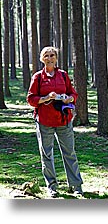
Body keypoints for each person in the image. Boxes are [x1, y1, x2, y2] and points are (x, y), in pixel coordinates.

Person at [27, 46, 83, 198]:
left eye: (52, 55)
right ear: (42, 59)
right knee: (47, 154)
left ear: (56, 58)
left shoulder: (63, 75)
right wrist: (46, 98)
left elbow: (73, 93)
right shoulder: (38, 77)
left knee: (69, 153)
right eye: (46, 56)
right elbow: (31, 99)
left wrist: (69, 98)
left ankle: (76, 186)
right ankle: (52, 187)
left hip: (63, 120)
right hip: (44, 121)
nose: (50, 58)